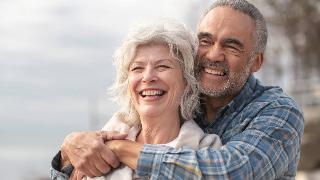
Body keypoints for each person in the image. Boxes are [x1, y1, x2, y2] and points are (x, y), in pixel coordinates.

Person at [51, 0, 304, 179]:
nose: (214, 54)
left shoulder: (278, 111)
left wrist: (121, 150)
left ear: (256, 62)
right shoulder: (175, 102)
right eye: (205, 41)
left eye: (232, 46)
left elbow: (234, 171)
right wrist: (68, 151)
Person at [51, 20, 222, 180]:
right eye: (137, 68)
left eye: (162, 66)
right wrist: (66, 156)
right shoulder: (96, 149)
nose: (147, 77)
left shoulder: (207, 150)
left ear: (187, 80)